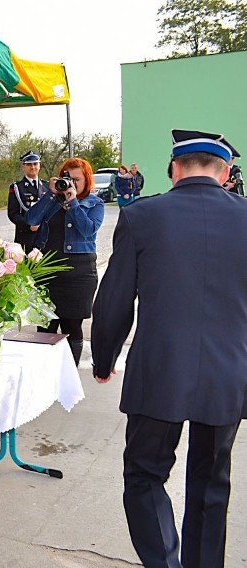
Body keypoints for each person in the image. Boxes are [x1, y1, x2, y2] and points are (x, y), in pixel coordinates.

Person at [91, 129, 247, 568]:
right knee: (213, 481)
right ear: (226, 172)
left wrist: (104, 359)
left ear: (174, 169)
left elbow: (115, 298)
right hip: (227, 374)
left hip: (160, 372)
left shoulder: (143, 216)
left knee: (143, 476)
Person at [25, 157, 105, 366]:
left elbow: (88, 230)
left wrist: (73, 202)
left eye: (77, 179)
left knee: (72, 325)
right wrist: (51, 194)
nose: (72, 183)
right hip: (48, 270)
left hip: (78, 273)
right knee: (45, 325)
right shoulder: (51, 199)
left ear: (87, 180)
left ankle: (69, 377)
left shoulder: (95, 203)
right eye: (68, 178)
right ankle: (42, 374)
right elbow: (31, 220)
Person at [6, 150, 48, 251]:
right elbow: (13, 213)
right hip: (26, 239)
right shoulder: (16, 187)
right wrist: (28, 225)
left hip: (46, 239)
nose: (33, 167)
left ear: (39, 166)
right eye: (29, 164)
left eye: (35, 164)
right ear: (23, 167)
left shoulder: (47, 186)